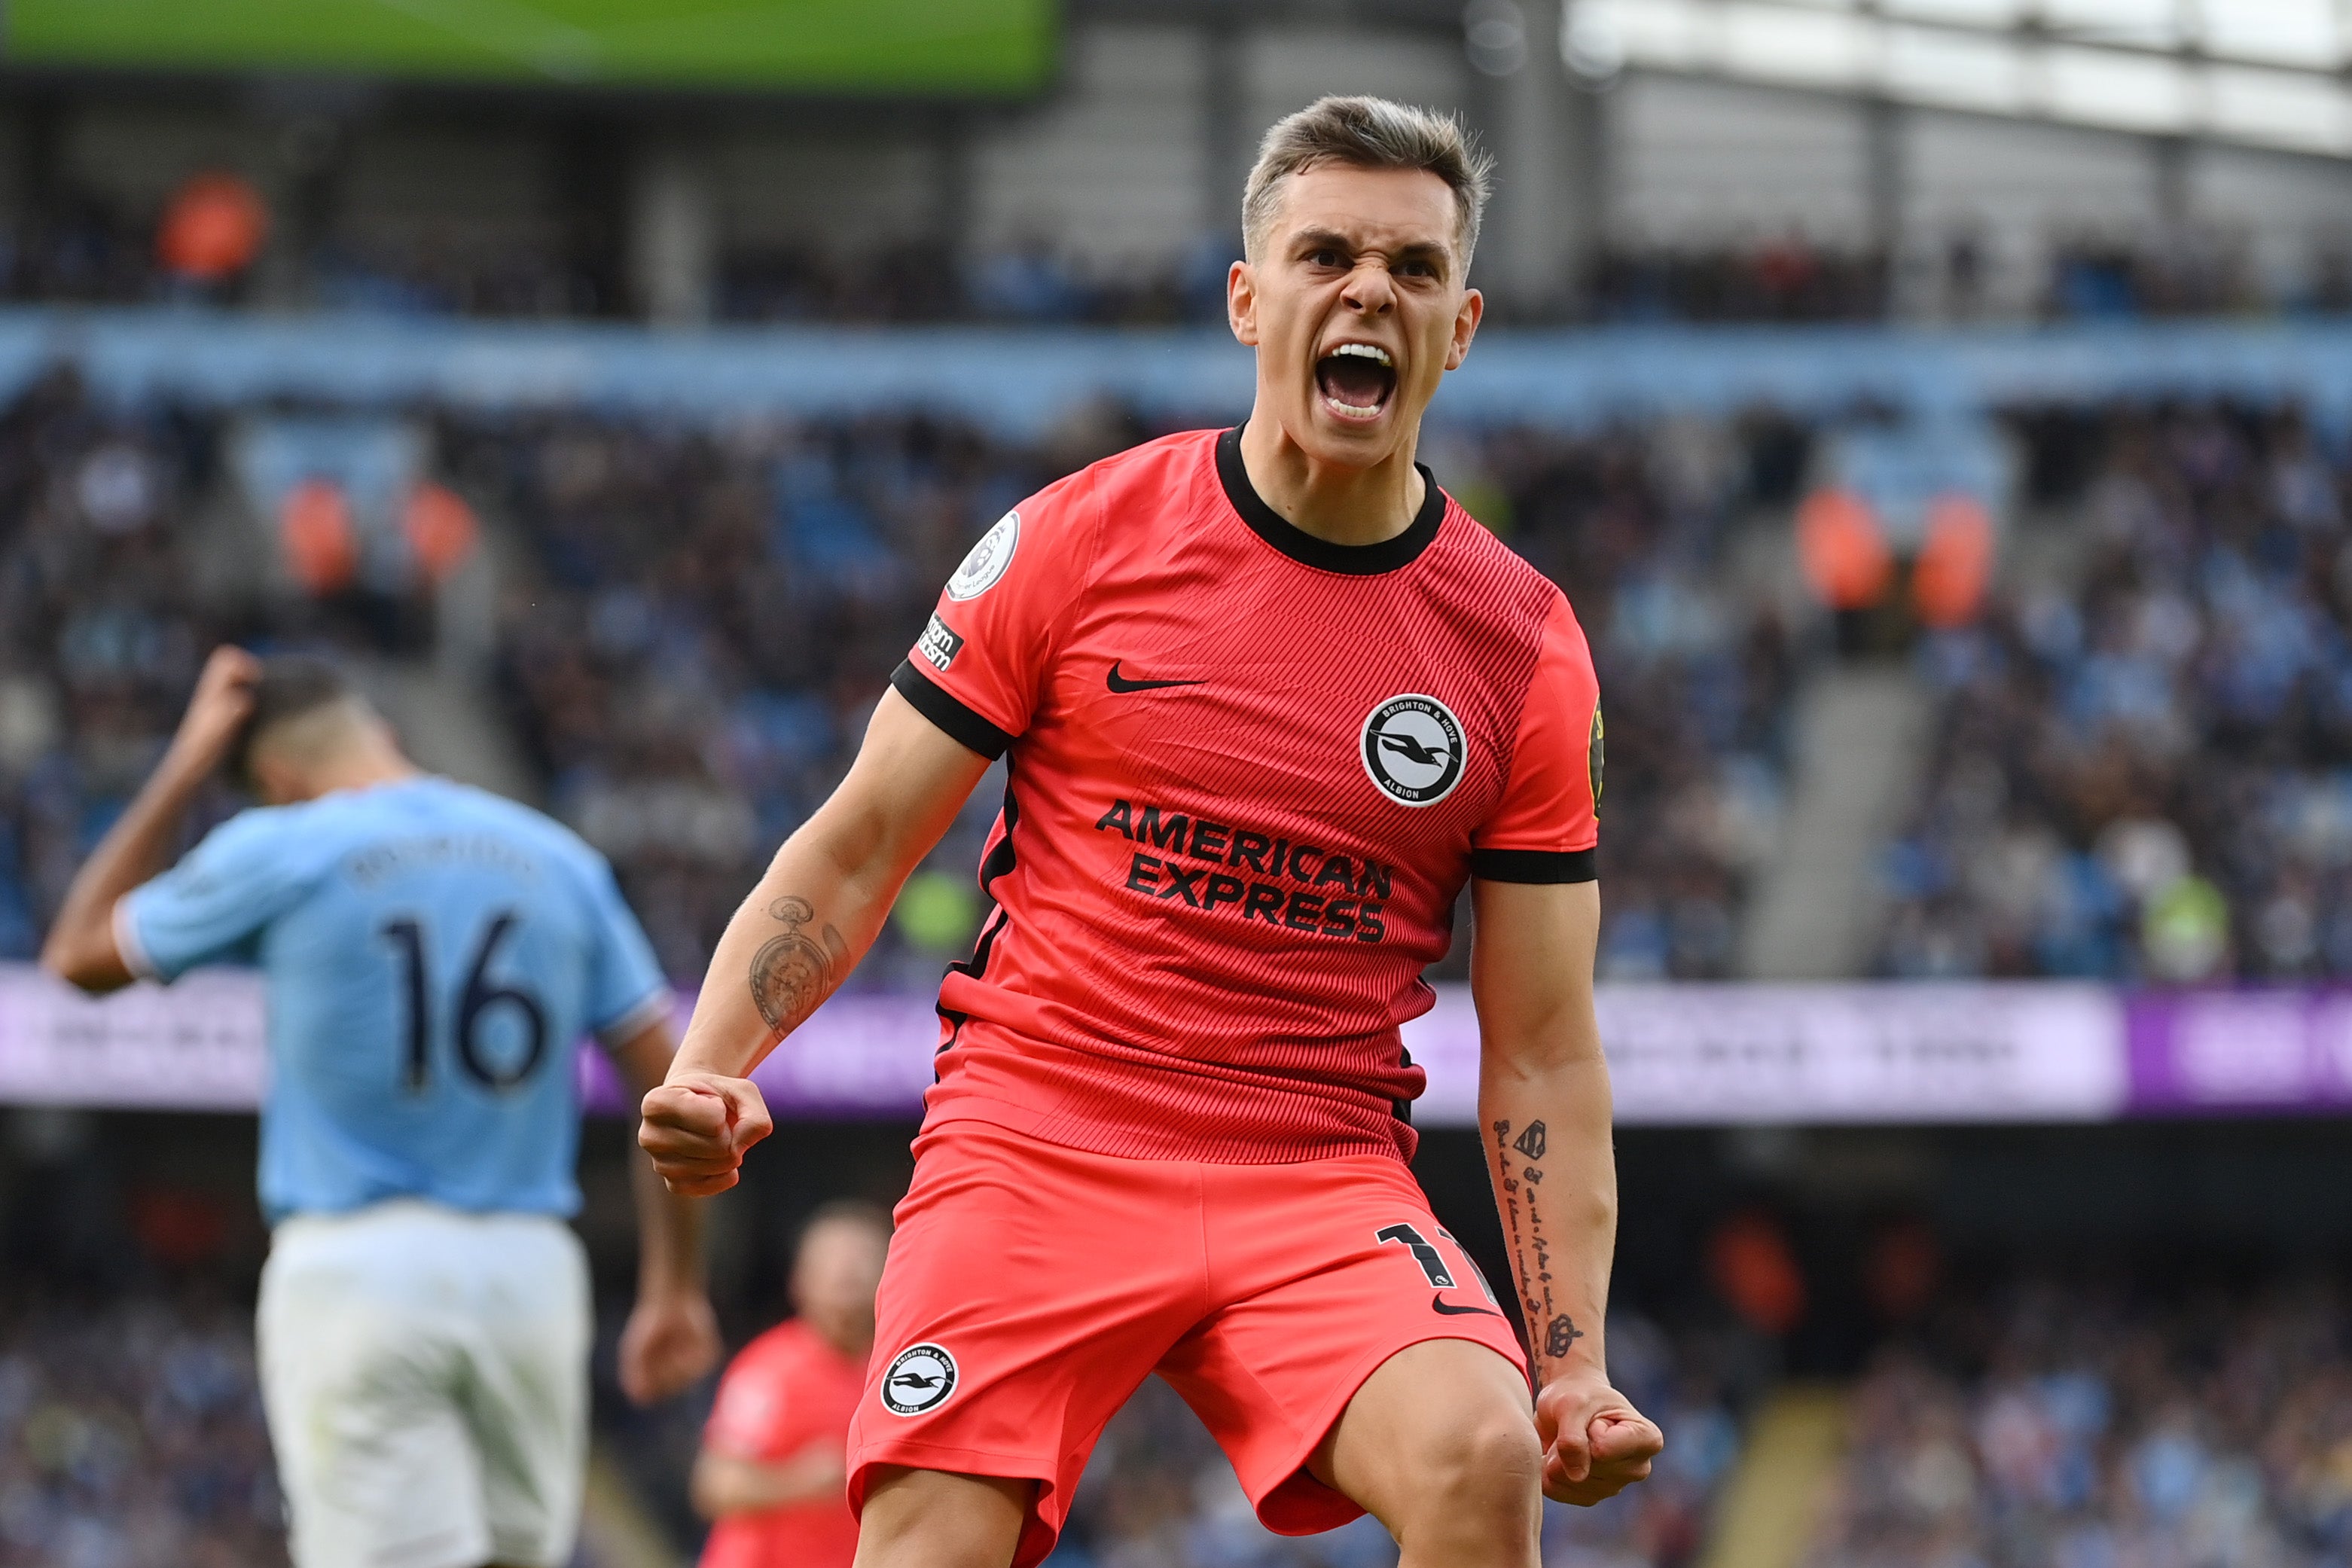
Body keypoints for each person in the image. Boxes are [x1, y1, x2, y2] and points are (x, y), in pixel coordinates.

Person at [639, 95, 1664, 1568]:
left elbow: (1546, 1043)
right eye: (1324, 254)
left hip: (1314, 1172)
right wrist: (715, 1060)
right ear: (1250, 301)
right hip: (1038, 1138)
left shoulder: (1523, 650)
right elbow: (861, 842)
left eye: (1412, 267)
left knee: (1479, 1448)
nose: (1367, 288)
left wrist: (1567, 1357)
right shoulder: (1076, 540)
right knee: (926, 1540)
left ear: (1462, 325)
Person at [41, 649, 721, 1568]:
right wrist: (673, 1288)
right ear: (385, 736)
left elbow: (78, 955)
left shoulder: (282, 844)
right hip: (530, 1275)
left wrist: (184, 766)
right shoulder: (559, 858)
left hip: (357, 1268)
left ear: (277, 779)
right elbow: (676, 1092)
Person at [694, 1202, 892, 1568]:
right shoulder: (767, 1371)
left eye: (862, 1258)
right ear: (800, 1280)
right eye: (833, 1261)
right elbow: (716, 1483)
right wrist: (797, 1482)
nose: (847, 1272)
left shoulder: (898, 1377)